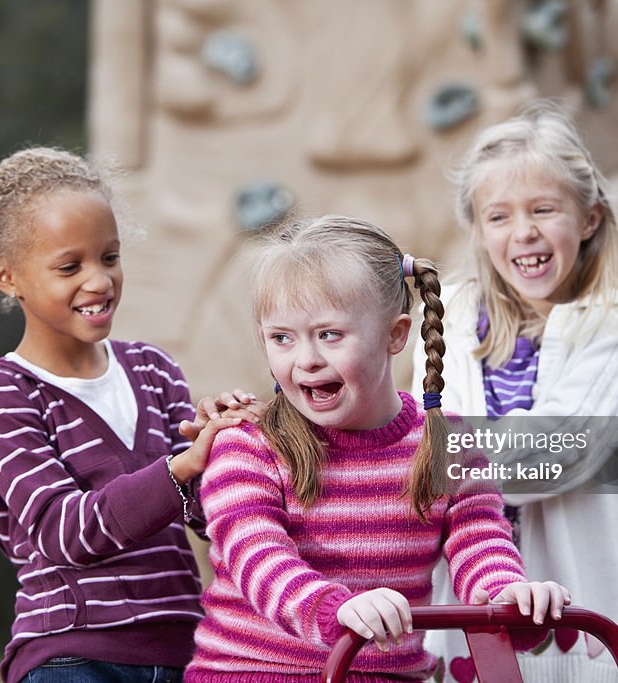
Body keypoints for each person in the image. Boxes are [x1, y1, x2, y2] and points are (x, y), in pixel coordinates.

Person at [184, 215, 569, 682]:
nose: (305, 359)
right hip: (257, 674)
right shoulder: (248, 446)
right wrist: (333, 609)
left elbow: (481, 542)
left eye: (330, 334)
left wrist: (508, 598)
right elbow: (255, 552)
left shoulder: (448, 446)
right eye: (281, 338)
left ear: (395, 335)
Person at [0, 146, 254, 683]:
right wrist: (181, 469)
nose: (99, 281)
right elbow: (66, 534)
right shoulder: (0, 393)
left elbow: (205, 518)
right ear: (6, 278)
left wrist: (226, 448)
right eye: (70, 266)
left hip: (188, 653)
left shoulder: (154, 369)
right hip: (72, 659)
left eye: (109, 257)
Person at [413, 102, 618, 682]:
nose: (523, 232)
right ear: (477, 229)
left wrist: (437, 461)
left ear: (590, 217)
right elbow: (425, 437)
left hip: (577, 613)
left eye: (544, 209)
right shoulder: (449, 313)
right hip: (467, 606)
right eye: (498, 216)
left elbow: (558, 453)